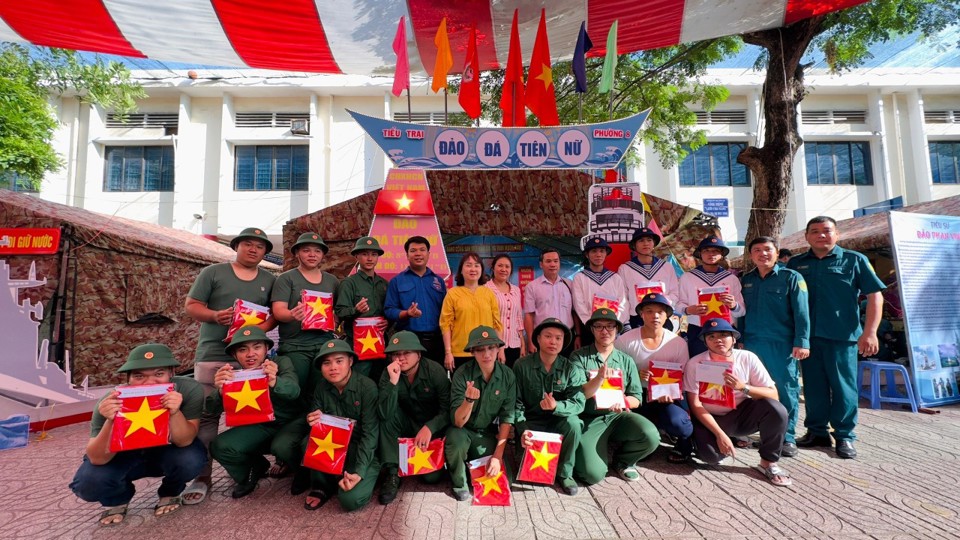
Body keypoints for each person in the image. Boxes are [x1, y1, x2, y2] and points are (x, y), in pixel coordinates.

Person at [183, 226, 275, 504]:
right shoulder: (212, 273)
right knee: (208, 417)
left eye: (259, 246)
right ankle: (202, 476)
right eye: (247, 244)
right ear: (236, 246)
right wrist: (214, 315)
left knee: (254, 414)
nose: (253, 249)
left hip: (251, 359)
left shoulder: (269, 279)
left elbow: (272, 318)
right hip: (213, 354)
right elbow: (191, 305)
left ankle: (252, 464)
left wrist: (256, 331)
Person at [69, 344, 206, 526]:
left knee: (190, 459)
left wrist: (174, 412)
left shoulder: (188, 389)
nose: (149, 383)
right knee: (89, 482)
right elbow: (97, 458)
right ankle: (117, 499)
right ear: (128, 379)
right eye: (139, 376)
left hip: (167, 451)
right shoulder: (111, 400)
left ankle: (171, 492)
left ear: (171, 373)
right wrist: (111, 420)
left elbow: (185, 440)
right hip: (124, 455)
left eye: (159, 374)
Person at [788, 216, 885, 459]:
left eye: (826, 231)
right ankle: (817, 431)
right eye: (815, 231)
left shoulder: (855, 260)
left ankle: (844, 436)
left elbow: (874, 296)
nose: (821, 235)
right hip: (807, 338)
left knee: (844, 387)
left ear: (837, 234)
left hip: (842, 336)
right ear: (807, 237)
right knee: (813, 386)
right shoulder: (796, 263)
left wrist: (870, 332)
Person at [683, 319, 791, 486]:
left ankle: (768, 463)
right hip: (711, 418)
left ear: (734, 339)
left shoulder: (748, 357)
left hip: (741, 413)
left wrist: (743, 387)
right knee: (710, 457)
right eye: (711, 336)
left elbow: (773, 394)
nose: (718, 339)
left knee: (776, 409)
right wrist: (720, 435)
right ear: (705, 342)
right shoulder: (695, 363)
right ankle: (715, 439)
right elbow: (696, 405)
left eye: (724, 335)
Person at [207, 326, 301, 498]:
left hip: (288, 424)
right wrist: (220, 391)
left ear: (266, 348)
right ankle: (252, 469)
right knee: (220, 446)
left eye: (257, 347)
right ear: (235, 355)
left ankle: (302, 472)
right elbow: (210, 409)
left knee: (283, 446)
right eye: (243, 349)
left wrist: (274, 381)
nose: (251, 354)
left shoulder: (280, 363)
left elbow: (294, 391)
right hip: (261, 428)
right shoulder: (232, 375)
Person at [570, 309, 660, 484]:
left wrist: (623, 401)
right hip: (590, 419)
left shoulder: (626, 360)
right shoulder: (579, 357)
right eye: (599, 326)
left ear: (617, 330)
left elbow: (636, 397)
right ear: (592, 330)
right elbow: (581, 394)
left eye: (610, 326)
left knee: (650, 435)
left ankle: (624, 461)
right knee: (592, 475)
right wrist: (599, 378)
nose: (605, 331)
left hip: (617, 416)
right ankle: (594, 456)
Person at [740, 236, 810, 457]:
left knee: (785, 389)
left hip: (782, 344)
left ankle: (787, 437)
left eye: (768, 250)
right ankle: (763, 433)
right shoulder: (746, 280)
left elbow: (802, 312)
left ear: (777, 253)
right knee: (755, 390)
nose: (763, 254)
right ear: (751, 255)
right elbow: (740, 312)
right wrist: (739, 338)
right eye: (757, 250)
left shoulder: (792, 277)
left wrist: (802, 341)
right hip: (751, 343)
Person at [301, 340, 380, 511]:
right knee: (307, 442)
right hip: (336, 447)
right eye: (326, 363)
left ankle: (371, 474)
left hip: (362, 449)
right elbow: (317, 425)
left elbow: (370, 434)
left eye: (339, 361)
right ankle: (321, 486)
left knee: (350, 500)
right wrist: (313, 421)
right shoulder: (321, 386)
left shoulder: (367, 387)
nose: (333, 368)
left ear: (350, 361)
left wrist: (359, 471)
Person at [615, 293, 693, 462]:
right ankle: (645, 438)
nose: (655, 316)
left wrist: (671, 393)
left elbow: (683, 375)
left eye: (660, 312)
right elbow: (615, 373)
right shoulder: (625, 340)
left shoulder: (677, 343)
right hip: (636, 395)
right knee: (636, 431)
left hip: (666, 397)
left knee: (679, 424)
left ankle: (682, 441)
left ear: (667, 316)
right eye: (649, 311)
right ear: (641, 314)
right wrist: (635, 375)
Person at [376, 331, 451, 504]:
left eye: (406, 352)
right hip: (405, 424)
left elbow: (448, 409)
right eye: (396, 354)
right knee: (388, 417)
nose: (401, 358)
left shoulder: (434, 371)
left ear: (418, 354)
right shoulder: (388, 373)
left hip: (431, 429)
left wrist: (430, 427)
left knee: (431, 478)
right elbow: (384, 413)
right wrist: (393, 383)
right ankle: (393, 472)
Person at [512, 318, 585, 495]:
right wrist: (522, 429)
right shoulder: (522, 365)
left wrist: (556, 406)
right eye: (548, 336)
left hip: (558, 422)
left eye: (558, 338)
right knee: (531, 475)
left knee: (574, 424)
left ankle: (565, 473)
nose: (553, 342)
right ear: (538, 339)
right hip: (531, 425)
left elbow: (578, 402)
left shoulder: (571, 368)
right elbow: (515, 403)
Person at [444, 326, 518, 501]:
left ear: (498, 348)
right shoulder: (462, 375)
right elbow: (458, 422)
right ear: (472, 352)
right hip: (463, 430)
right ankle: (458, 481)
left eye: (491, 347)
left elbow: (507, 418)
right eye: (480, 349)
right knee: (456, 440)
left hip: (485, 434)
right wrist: (468, 401)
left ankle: (472, 465)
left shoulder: (507, 375)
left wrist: (498, 456)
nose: (487, 354)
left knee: (505, 480)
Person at [271, 232, 339, 391]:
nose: (312, 255)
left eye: (317, 251)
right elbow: (278, 311)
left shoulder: (332, 281)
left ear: (323, 255)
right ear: (297, 253)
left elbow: (338, 311)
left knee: (321, 390)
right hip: (295, 346)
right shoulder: (287, 278)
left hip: (323, 345)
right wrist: (291, 315)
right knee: (296, 389)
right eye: (306, 250)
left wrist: (335, 319)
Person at [676, 235, 745, 357]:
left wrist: (734, 305)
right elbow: (678, 305)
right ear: (700, 254)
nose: (711, 254)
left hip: (725, 331)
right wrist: (688, 310)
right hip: (697, 329)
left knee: (723, 366)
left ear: (722, 254)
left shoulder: (731, 279)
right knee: (699, 365)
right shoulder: (687, 277)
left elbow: (741, 312)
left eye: (716, 251)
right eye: (706, 251)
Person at [385, 236, 448, 366]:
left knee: (436, 379)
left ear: (429, 254)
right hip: (409, 341)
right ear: (407, 255)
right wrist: (406, 313)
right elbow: (389, 310)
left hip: (437, 341)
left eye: (422, 250)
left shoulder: (439, 281)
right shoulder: (397, 281)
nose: (418, 254)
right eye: (413, 250)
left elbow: (447, 312)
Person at [336, 236, 389, 381]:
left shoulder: (384, 284)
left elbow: (390, 311)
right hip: (357, 343)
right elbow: (340, 312)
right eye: (365, 254)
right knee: (358, 381)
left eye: (374, 254)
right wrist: (356, 310)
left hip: (380, 342)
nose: (370, 258)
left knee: (381, 380)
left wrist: (388, 322)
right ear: (356, 256)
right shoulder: (349, 283)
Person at [440, 252, 503, 372]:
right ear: (461, 270)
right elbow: (446, 325)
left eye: (477, 265)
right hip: (460, 353)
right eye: (468, 265)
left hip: (486, 353)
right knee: (462, 389)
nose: (473, 269)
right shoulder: (452, 294)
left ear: (482, 270)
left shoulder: (488, 293)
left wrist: (500, 350)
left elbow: (497, 324)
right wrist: (448, 352)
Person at [618, 227, 679, 330]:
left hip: (661, 317)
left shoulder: (666, 267)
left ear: (654, 243)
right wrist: (625, 322)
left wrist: (660, 302)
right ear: (634, 245)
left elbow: (675, 293)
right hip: (636, 319)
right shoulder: (625, 269)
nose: (646, 243)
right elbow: (622, 298)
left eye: (649, 240)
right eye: (641, 241)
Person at [573, 237, 628, 346]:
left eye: (602, 251)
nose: (598, 255)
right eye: (594, 251)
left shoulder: (615, 278)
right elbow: (579, 304)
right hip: (589, 329)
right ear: (587, 255)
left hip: (612, 329)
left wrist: (614, 324)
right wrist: (593, 325)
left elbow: (623, 304)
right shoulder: (580, 277)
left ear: (606, 254)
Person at [524, 249, 577, 357]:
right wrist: (530, 341)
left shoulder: (569, 284)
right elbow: (529, 315)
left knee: (566, 370)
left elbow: (574, 312)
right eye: (548, 261)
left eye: (555, 261)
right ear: (541, 264)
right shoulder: (532, 286)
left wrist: (578, 336)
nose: (552, 264)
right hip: (544, 338)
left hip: (567, 337)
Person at [485, 254, 526, 367]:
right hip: (493, 345)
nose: (504, 269)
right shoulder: (485, 289)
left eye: (507, 267)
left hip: (514, 344)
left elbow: (518, 317)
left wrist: (522, 342)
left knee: (512, 378)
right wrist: (500, 347)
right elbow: (488, 321)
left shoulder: (516, 290)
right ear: (493, 268)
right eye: (500, 266)